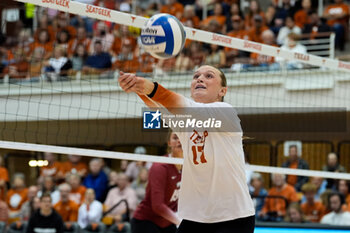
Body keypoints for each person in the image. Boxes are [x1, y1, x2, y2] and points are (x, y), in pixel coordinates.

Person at [118, 65, 255, 233]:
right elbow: (159, 107)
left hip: (233, 216)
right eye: (196, 75)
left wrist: (149, 86)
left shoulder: (225, 112)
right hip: (195, 217)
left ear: (222, 91)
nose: (200, 78)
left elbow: (174, 102)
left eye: (209, 76)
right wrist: (137, 87)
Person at [131, 132, 183, 233]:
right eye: (175, 138)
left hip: (168, 222)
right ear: (169, 143)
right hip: (146, 222)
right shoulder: (160, 166)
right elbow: (157, 206)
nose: (179, 141)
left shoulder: (188, 167)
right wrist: (179, 221)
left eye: (183, 137)